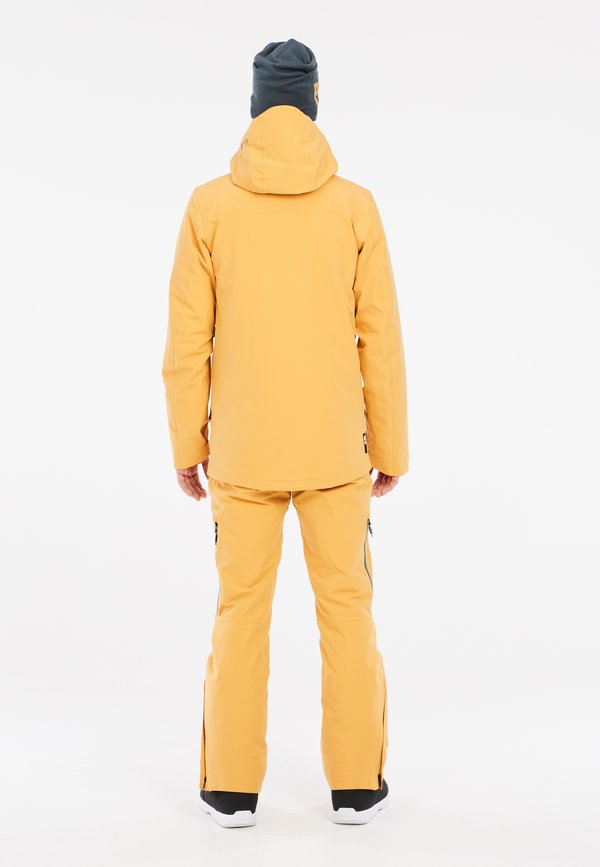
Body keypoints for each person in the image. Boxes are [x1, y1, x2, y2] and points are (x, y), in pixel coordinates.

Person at [162, 37, 408, 828]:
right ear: (313, 104)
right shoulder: (354, 207)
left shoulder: (209, 206)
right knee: (348, 609)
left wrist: (188, 446)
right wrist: (390, 448)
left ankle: (231, 790)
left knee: (240, 611)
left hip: (242, 452)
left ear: (254, 104)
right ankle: (356, 786)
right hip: (336, 452)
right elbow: (380, 339)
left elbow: (187, 344)